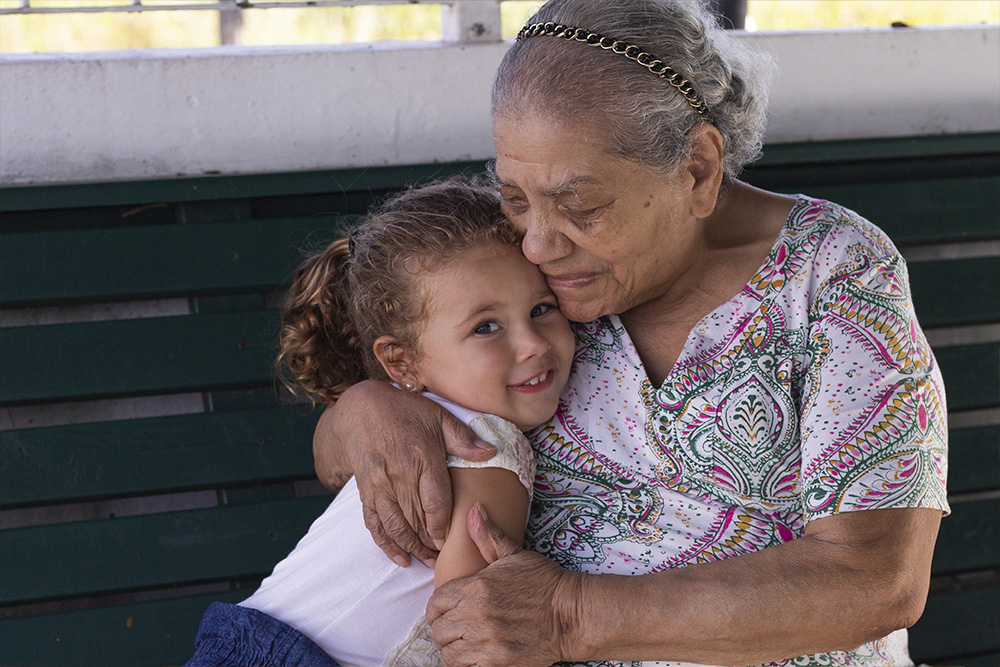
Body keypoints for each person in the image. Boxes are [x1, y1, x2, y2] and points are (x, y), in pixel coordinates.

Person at [311, 1, 950, 666]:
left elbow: (879, 579)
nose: (537, 241)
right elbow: (352, 441)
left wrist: (571, 615)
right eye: (514, 198)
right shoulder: (521, 281)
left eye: (580, 206)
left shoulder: (834, 275)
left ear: (698, 169)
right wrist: (363, 410)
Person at [185, 177, 576, 666]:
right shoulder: (490, 446)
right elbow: (468, 629)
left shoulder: (406, 405)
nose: (534, 343)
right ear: (402, 362)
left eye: (542, 309)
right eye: (486, 327)